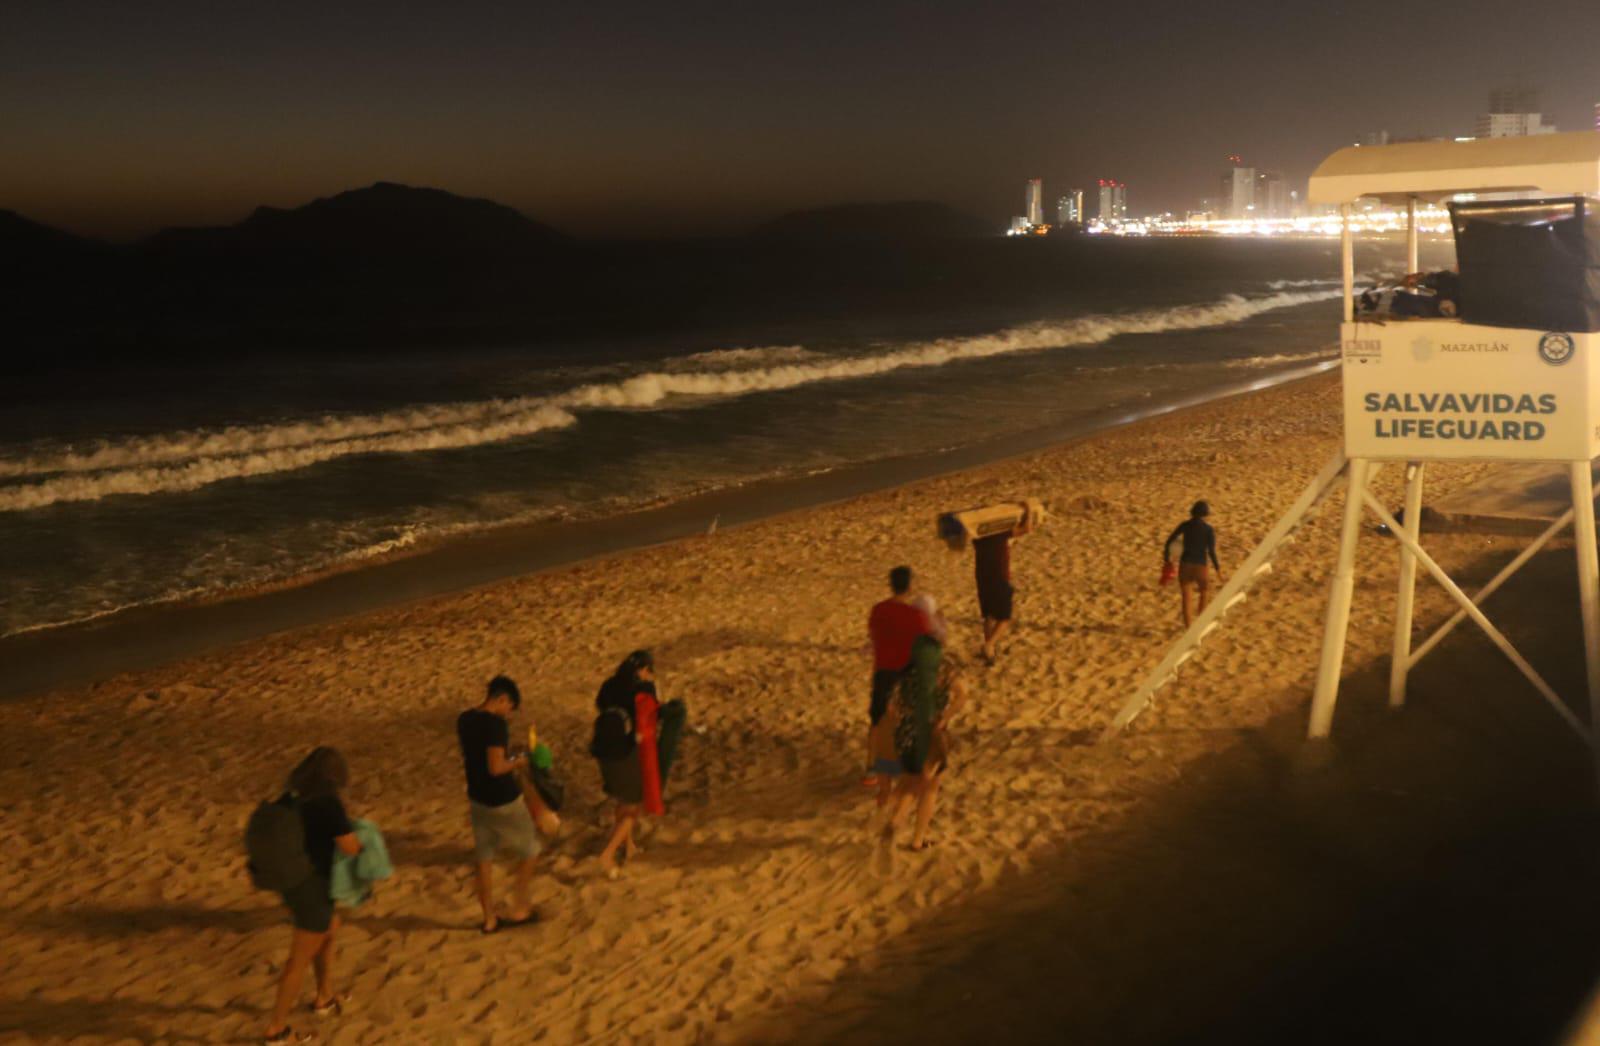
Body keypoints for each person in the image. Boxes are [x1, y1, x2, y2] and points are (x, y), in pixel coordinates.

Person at [264, 747, 361, 1044]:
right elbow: (350, 847)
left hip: (295, 882)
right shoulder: (328, 804)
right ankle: (276, 1031)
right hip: (313, 887)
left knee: (330, 931)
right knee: (299, 959)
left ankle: (324, 996)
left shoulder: (292, 798)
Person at [591, 650, 687, 877]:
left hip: (603, 752)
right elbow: (649, 718)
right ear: (642, 670)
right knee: (633, 808)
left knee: (622, 800)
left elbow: (601, 706)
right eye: (648, 671)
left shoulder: (609, 686)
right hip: (626, 753)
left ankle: (629, 846)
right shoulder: (643, 690)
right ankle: (607, 854)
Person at [456, 675, 540, 934]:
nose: (508, 713)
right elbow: (496, 767)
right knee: (530, 849)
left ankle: (489, 918)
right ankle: (520, 908)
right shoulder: (495, 725)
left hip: (477, 797)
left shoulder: (465, 719)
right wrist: (519, 761)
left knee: (484, 858)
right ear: (502, 699)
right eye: (509, 707)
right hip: (502, 799)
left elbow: (474, 756)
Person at [880, 636, 967, 851]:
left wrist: (899, 722)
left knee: (912, 779)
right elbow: (962, 694)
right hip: (931, 733)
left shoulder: (905, 673)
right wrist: (946, 716)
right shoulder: (945, 672)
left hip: (906, 733)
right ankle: (917, 838)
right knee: (930, 786)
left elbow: (890, 706)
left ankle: (896, 818)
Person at [866, 567, 931, 783]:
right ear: (910, 586)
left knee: (878, 719)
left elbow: (873, 635)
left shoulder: (878, 610)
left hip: (883, 669)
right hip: (905, 672)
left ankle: (871, 768)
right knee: (904, 721)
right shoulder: (916, 616)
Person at [974, 511, 1033, 664]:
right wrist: (1029, 509)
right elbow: (1026, 528)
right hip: (999, 578)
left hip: (982, 579)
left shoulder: (977, 538)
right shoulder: (1000, 534)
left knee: (988, 616)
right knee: (1004, 618)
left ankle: (989, 654)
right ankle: (989, 645)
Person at [1164, 500, 1222, 627]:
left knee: (1186, 596)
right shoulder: (1208, 529)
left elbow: (1169, 541)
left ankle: (1188, 627)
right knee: (1204, 591)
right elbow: (1211, 551)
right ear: (1205, 514)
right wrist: (1218, 569)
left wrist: (1167, 560)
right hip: (1201, 565)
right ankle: (1200, 624)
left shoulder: (1185, 525)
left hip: (1185, 565)